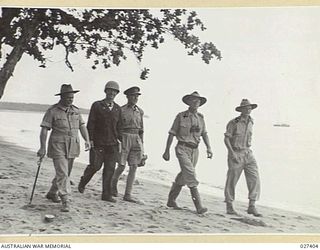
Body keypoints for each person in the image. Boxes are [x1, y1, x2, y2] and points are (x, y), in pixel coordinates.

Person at [37, 84, 91, 212]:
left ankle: (52, 192)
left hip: (73, 145)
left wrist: (87, 140)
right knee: (63, 172)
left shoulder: (76, 111)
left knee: (65, 173)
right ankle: (65, 199)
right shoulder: (53, 111)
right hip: (58, 145)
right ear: (61, 97)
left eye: (72, 97)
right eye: (68, 97)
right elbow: (44, 129)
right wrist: (42, 148)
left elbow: (82, 126)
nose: (70, 100)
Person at [162, 91, 213, 214]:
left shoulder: (201, 118)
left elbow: (204, 133)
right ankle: (199, 206)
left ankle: (171, 200)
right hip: (182, 148)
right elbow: (172, 133)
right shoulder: (181, 116)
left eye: (198, 100)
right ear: (189, 102)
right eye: (193, 100)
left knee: (185, 175)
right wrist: (166, 150)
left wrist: (209, 148)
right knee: (190, 173)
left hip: (195, 150)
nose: (196, 102)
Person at [78, 81, 121, 203]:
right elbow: (91, 123)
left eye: (114, 91)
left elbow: (120, 127)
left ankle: (106, 195)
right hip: (98, 143)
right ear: (105, 91)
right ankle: (83, 181)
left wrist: (120, 141)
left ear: (117, 93)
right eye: (110, 90)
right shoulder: (97, 105)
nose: (112, 93)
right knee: (95, 166)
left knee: (110, 169)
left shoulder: (118, 109)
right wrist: (89, 139)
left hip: (112, 144)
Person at [224, 99, 262, 217]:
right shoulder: (234, 122)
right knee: (232, 180)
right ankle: (229, 206)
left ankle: (252, 205)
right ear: (241, 110)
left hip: (248, 153)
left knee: (255, 178)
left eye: (250, 108)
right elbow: (226, 139)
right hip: (236, 152)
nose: (248, 110)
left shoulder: (251, 121)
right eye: (246, 108)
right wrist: (232, 153)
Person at [111, 86, 145, 203]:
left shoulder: (140, 111)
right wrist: (118, 140)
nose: (135, 98)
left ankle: (128, 194)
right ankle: (113, 183)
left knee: (134, 166)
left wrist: (142, 145)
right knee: (121, 165)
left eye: (137, 96)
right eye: (133, 96)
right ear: (127, 97)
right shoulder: (121, 110)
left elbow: (141, 129)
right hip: (124, 137)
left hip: (136, 138)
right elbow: (116, 127)